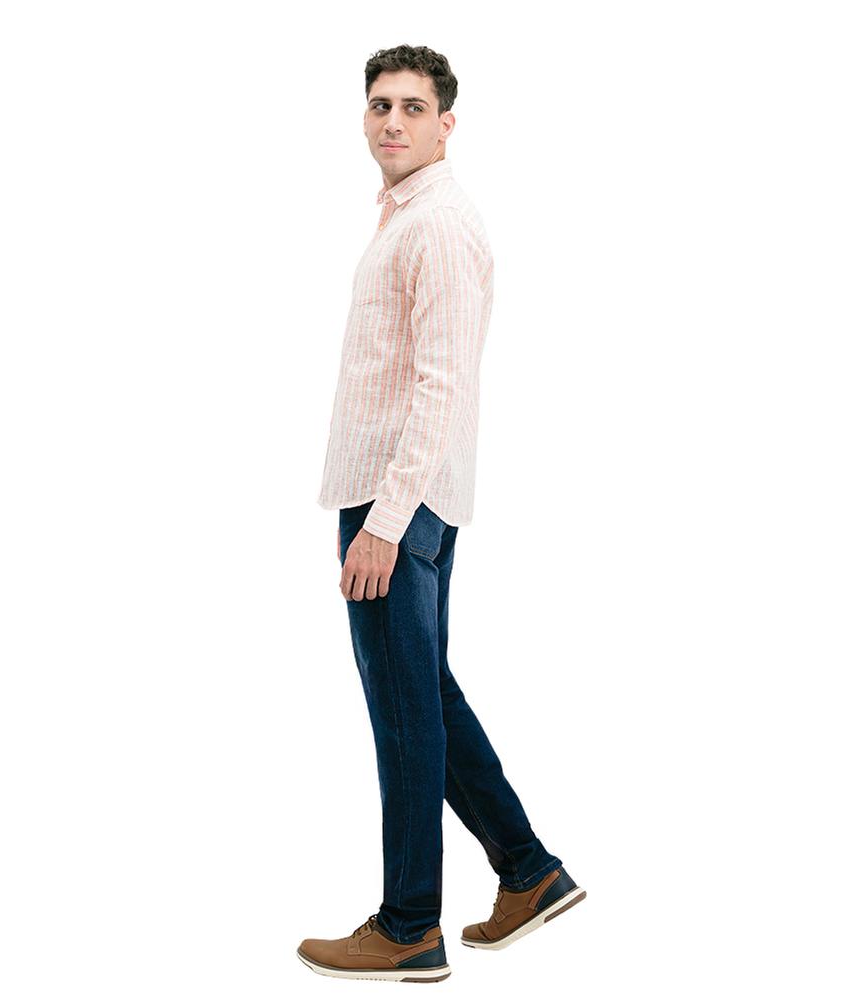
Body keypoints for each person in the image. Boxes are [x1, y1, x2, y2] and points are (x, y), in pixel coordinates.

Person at [298, 44, 585, 983]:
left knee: (404, 713)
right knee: (426, 696)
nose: (392, 121)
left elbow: (442, 385)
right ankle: (529, 873)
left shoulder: (439, 226)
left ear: (446, 124)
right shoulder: (408, 217)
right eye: (380, 104)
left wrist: (383, 524)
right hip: (404, 498)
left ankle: (409, 924)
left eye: (413, 107)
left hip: (397, 504)